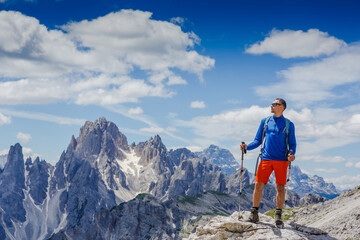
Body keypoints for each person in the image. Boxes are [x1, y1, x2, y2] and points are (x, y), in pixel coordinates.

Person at [240, 98, 296, 226]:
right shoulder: (265, 122)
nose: (271, 106)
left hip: (282, 160)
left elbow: (292, 144)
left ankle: (278, 215)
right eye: (272, 104)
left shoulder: (289, 124)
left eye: (274, 104)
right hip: (265, 158)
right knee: (258, 185)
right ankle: (254, 213)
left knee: (280, 187)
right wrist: (247, 146)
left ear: (281, 107)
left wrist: (291, 154)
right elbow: (257, 140)